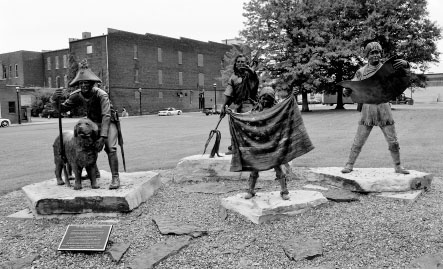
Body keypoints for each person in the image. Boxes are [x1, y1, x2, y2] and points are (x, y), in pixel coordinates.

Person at [341, 41, 409, 174]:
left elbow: (403, 77)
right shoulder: (361, 72)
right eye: (372, 52)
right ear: (367, 55)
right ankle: (349, 164)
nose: (376, 55)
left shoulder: (388, 69)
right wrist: (347, 91)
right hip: (368, 109)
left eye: (378, 52)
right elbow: (353, 86)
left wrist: (406, 64)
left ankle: (398, 165)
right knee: (359, 140)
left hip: (384, 108)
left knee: (393, 140)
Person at [52, 60, 121, 189]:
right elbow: (62, 109)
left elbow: (106, 115)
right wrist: (54, 99)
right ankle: (95, 172)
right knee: (87, 146)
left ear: (92, 84)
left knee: (110, 148)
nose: (83, 85)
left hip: (107, 123)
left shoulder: (101, 95)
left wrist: (102, 137)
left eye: (86, 83)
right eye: (81, 83)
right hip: (92, 124)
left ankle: (115, 177)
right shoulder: (76, 95)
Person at [246, 87, 289, 200]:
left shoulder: (276, 110)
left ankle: (284, 190)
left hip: (272, 143)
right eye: (263, 98)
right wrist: (233, 114)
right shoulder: (256, 110)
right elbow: (246, 118)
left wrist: (290, 99)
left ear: (272, 98)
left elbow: (285, 117)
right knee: (254, 168)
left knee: (278, 167)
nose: (265, 101)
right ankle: (251, 190)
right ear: (260, 98)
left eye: (267, 98)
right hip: (259, 142)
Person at [220, 54, 259, 154]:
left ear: (246, 63)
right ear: (235, 64)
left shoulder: (250, 74)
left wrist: (250, 70)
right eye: (238, 62)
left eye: (243, 62)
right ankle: (234, 146)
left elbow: (254, 79)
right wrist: (223, 106)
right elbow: (228, 92)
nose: (240, 63)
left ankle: (251, 147)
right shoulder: (233, 77)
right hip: (236, 105)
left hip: (249, 105)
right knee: (234, 127)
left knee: (249, 127)